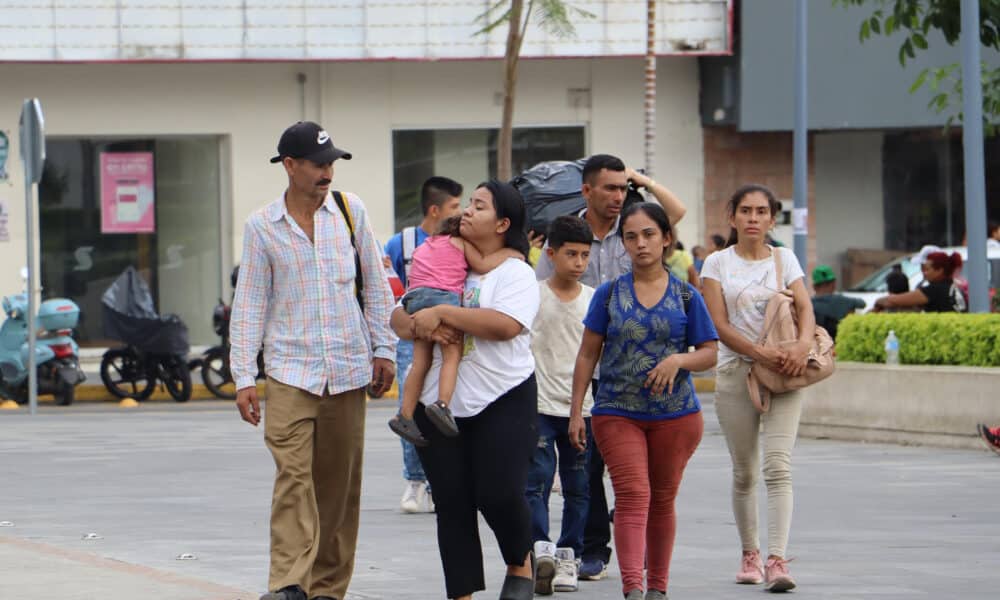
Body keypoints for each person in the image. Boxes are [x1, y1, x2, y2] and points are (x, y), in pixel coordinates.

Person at [230, 121, 397, 600]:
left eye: (331, 163)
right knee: (293, 477)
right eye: (318, 163)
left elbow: (376, 284)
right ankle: (288, 584)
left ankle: (327, 589)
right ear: (290, 166)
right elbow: (250, 304)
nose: (327, 172)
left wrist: (383, 348)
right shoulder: (263, 226)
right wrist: (244, 375)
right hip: (289, 372)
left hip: (347, 368)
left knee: (338, 489)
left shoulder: (350, 212)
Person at [534, 153, 688, 582]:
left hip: (626, 372)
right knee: (587, 465)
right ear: (587, 190)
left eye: (624, 188)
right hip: (583, 365)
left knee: (607, 465)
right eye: (611, 187)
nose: (619, 196)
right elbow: (547, 297)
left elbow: (674, 215)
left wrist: (643, 179)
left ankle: (605, 544)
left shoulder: (634, 230)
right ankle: (591, 548)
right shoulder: (568, 232)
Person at [390, 180, 540, 600]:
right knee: (452, 504)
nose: (468, 212)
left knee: (498, 491)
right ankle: (462, 593)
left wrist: (441, 312)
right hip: (436, 404)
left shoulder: (516, 272)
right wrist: (416, 319)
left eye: (480, 206)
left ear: (502, 223)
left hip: (502, 398)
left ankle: (519, 561)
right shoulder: (443, 256)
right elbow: (399, 318)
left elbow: (505, 325)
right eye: (468, 204)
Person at [568, 202, 718, 600]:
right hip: (617, 412)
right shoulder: (608, 294)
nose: (640, 244)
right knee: (634, 494)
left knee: (663, 499)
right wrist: (576, 412)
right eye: (631, 237)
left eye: (649, 234)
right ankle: (633, 587)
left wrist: (679, 360)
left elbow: (709, 351)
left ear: (666, 239)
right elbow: (587, 354)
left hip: (677, 415)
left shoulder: (687, 296)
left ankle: (658, 589)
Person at [700, 183, 816, 593]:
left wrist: (802, 346)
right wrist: (759, 354)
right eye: (745, 211)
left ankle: (777, 559)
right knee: (745, 470)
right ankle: (749, 552)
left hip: (786, 372)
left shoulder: (785, 258)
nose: (753, 218)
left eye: (761, 211)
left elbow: (804, 307)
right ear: (732, 217)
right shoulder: (716, 264)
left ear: (771, 218)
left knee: (778, 466)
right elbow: (718, 325)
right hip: (736, 373)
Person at [389, 216, 523, 445]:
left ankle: (405, 415)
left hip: (416, 300)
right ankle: (442, 405)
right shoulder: (459, 243)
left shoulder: (425, 245)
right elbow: (482, 264)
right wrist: (511, 254)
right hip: (443, 298)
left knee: (421, 361)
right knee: (452, 354)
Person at [525, 215, 596, 595]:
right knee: (534, 485)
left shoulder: (592, 299)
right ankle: (543, 551)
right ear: (551, 254)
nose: (579, 263)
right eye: (572, 254)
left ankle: (569, 556)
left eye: (585, 255)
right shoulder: (533, 295)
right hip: (537, 407)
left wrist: (582, 407)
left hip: (582, 410)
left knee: (579, 487)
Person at [385, 176, 463, 514]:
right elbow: (387, 287)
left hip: (417, 307)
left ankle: (432, 478)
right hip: (420, 319)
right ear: (437, 210)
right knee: (433, 373)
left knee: (418, 380)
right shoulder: (400, 243)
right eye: (456, 207)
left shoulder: (428, 245)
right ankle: (415, 479)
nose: (462, 213)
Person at [873, 251, 966, 313]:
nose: (924, 273)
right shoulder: (953, 286)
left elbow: (892, 301)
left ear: (940, 270)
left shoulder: (934, 290)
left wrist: (878, 302)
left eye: (927, 269)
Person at [810, 265, 864, 340]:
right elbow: (862, 303)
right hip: (839, 345)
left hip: (816, 346)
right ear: (833, 283)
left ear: (814, 287)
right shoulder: (842, 301)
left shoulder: (808, 305)